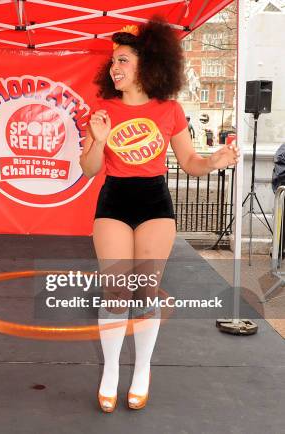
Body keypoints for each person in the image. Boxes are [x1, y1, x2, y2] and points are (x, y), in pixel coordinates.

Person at [79, 18, 238, 413]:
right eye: (113, 61)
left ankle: (143, 369)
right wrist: (98, 141)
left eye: (123, 60)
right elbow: (89, 169)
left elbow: (189, 162)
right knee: (116, 287)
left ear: (148, 65)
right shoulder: (101, 110)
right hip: (114, 201)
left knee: (147, 290)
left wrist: (213, 161)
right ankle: (111, 370)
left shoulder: (169, 110)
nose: (115, 68)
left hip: (154, 204)